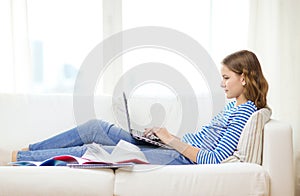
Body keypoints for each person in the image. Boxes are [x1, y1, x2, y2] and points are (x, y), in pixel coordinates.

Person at [12, 50, 269, 165]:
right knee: (96, 127)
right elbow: (205, 143)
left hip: (179, 159)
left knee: (95, 150)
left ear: (244, 77)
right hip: (172, 148)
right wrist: (166, 137)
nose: (221, 84)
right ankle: (28, 150)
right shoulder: (231, 108)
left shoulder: (245, 112)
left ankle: (17, 159)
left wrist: (171, 140)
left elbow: (213, 159)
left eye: (226, 78)